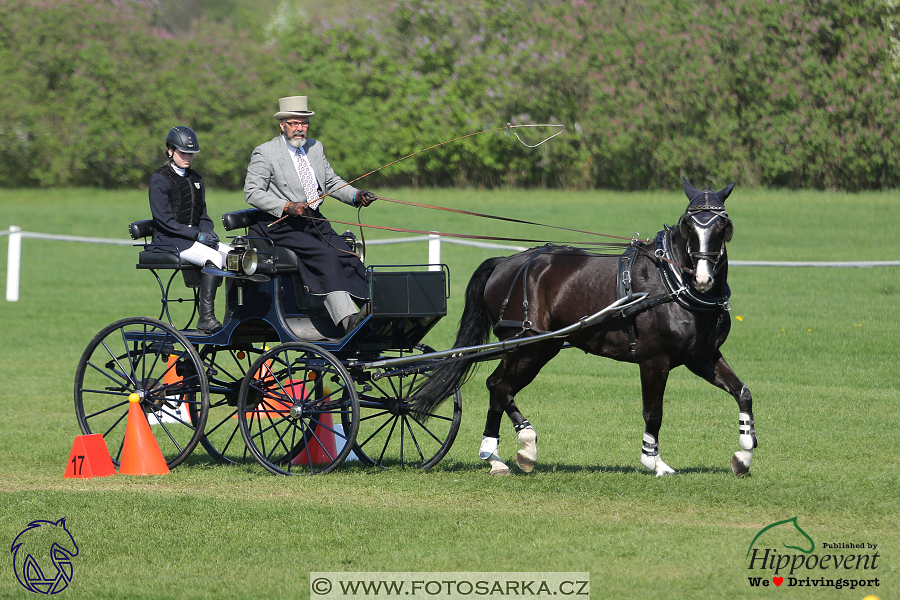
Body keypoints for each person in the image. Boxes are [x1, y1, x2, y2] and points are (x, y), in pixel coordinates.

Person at [243, 96, 377, 334]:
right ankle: (348, 319)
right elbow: (252, 193)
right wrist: (286, 206)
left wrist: (356, 196)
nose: (299, 129)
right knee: (325, 256)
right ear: (282, 125)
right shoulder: (265, 152)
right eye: (293, 123)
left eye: (303, 123)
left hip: (313, 220)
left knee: (348, 254)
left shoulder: (315, 148)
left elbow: (331, 182)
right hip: (279, 225)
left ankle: (373, 308)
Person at [149, 126, 232, 334]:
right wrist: (197, 235)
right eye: (183, 152)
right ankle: (206, 318)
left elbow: (202, 214)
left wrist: (207, 232)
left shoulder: (196, 178)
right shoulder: (159, 179)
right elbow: (164, 220)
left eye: (191, 153)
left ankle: (232, 316)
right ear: (170, 151)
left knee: (233, 256)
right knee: (213, 258)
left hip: (194, 238)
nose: (187, 157)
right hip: (170, 239)